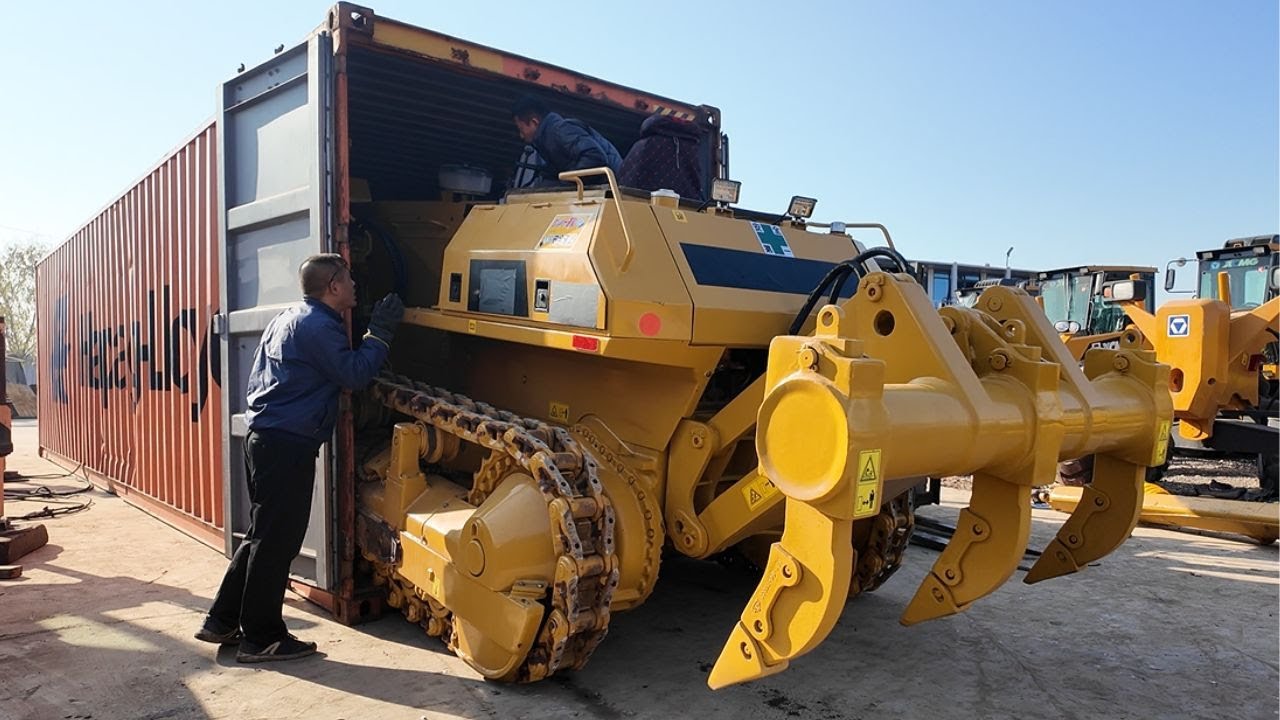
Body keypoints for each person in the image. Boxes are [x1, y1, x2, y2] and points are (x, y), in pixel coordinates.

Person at [195, 254, 404, 663]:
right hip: (286, 445)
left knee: (263, 536)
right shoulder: (318, 328)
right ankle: (262, 637)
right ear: (333, 287)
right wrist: (379, 333)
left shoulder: (288, 318)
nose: (355, 285)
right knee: (278, 541)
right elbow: (355, 375)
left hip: (264, 439)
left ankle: (223, 619)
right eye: (349, 278)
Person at [512, 95, 622, 186]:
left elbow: (594, 157)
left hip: (610, 186)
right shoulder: (547, 140)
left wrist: (566, 182)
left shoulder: (562, 130)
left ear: (534, 122)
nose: (521, 135)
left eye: (521, 129)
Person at [618, 113, 707, 202]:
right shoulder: (693, 151)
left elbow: (627, 180)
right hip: (687, 206)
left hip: (641, 202)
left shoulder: (643, 146)